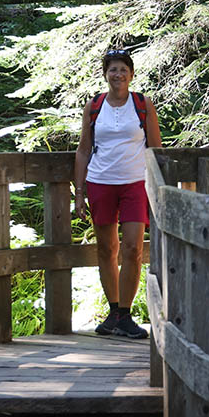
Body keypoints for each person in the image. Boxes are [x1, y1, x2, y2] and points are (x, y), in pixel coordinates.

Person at [72, 48, 162, 338]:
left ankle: (126, 313)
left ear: (131, 74)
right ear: (105, 74)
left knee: (133, 248)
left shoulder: (142, 104)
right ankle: (113, 311)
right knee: (106, 249)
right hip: (101, 181)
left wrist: (158, 188)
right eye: (113, 69)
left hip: (135, 182)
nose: (118, 74)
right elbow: (84, 150)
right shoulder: (95, 106)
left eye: (123, 69)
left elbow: (155, 149)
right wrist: (79, 192)